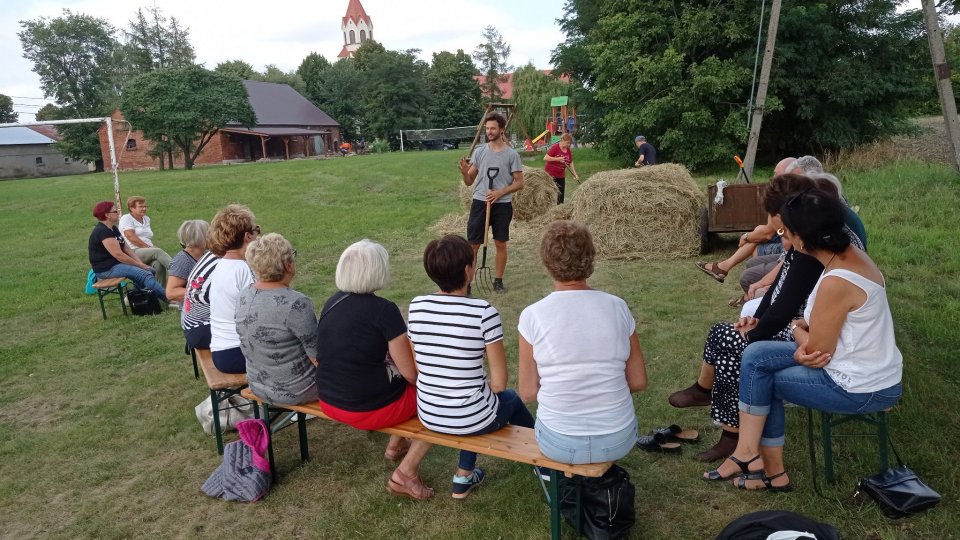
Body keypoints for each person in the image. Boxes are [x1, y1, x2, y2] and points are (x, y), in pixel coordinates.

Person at [704, 188, 902, 491]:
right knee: (755, 354)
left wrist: (797, 328)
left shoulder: (837, 279)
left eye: (785, 231)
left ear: (800, 237)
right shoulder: (847, 256)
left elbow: (815, 351)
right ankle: (750, 456)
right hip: (866, 366)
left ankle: (767, 469)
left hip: (862, 385)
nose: (782, 238)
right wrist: (792, 328)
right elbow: (825, 327)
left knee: (760, 375)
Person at [668, 175, 830, 462]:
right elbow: (777, 293)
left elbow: (786, 307)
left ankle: (732, 435)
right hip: (796, 325)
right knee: (722, 331)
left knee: (734, 344)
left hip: (809, 337)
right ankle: (704, 390)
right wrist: (756, 318)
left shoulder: (806, 249)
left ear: (785, 214)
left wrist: (755, 334)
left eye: (772, 216)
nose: (770, 223)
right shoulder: (798, 241)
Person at [408, 234, 535, 499]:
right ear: (468, 271)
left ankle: (464, 477)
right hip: (469, 415)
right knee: (507, 397)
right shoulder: (483, 312)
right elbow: (499, 383)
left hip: (429, 412)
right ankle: (545, 464)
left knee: (477, 400)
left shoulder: (416, 306)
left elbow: (419, 364)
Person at [519, 221, 648, 464]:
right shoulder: (617, 307)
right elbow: (638, 381)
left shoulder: (532, 315)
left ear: (547, 261)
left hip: (559, 441)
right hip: (617, 438)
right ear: (590, 257)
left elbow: (527, 392)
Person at [314, 240, 434, 500]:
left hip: (329, 399)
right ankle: (406, 473)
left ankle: (395, 444)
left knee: (384, 380)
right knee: (443, 404)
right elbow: (410, 373)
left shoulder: (332, 302)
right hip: (365, 409)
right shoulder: (384, 311)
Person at [236, 233, 318, 405]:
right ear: (288, 265)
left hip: (258, 385)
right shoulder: (296, 303)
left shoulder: (244, 295)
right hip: (297, 390)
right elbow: (318, 357)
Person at [458, 113, 525, 293]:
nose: (489, 131)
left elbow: (520, 182)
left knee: (500, 243)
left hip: (502, 204)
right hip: (480, 202)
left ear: (502, 129)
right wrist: (465, 172)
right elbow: (469, 181)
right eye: (487, 128)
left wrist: (500, 192)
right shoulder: (480, 152)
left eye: (493, 128)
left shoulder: (512, 155)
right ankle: (468, 282)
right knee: (473, 244)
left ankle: (498, 281)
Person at [207, 205, 258, 374]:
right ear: (247, 236)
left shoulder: (221, 264)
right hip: (238, 352)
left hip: (220, 349)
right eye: (256, 230)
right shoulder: (243, 269)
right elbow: (257, 315)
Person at [88, 200, 168, 303]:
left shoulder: (113, 229)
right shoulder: (103, 231)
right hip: (106, 269)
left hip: (116, 264)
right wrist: (140, 266)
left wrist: (140, 263)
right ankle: (170, 299)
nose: (118, 213)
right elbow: (119, 255)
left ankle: (134, 297)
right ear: (107, 215)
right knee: (144, 274)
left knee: (150, 270)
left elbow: (126, 248)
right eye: (115, 211)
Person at [119, 196, 172, 287]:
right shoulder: (126, 218)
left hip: (146, 251)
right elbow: (130, 236)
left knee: (158, 265)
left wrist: (150, 248)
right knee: (157, 251)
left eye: (145, 206)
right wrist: (149, 248)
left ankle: (160, 296)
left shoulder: (146, 219)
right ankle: (180, 272)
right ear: (132, 208)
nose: (144, 208)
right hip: (133, 251)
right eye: (141, 206)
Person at [166, 220, 209, 303]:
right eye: (208, 234)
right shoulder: (182, 260)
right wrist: (206, 292)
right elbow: (171, 293)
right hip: (195, 313)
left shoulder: (205, 254)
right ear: (200, 238)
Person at [543, 133, 580, 204]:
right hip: (550, 175)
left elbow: (571, 162)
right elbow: (546, 158)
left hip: (561, 176)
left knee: (560, 195)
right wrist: (558, 159)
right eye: (567, 143)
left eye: (570, 143)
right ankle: (548, 209)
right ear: (562, 140)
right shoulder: (555, 147)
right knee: (549, 194)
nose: (569, 145)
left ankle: (559, 210)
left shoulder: (568, 150)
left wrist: (575, 174)